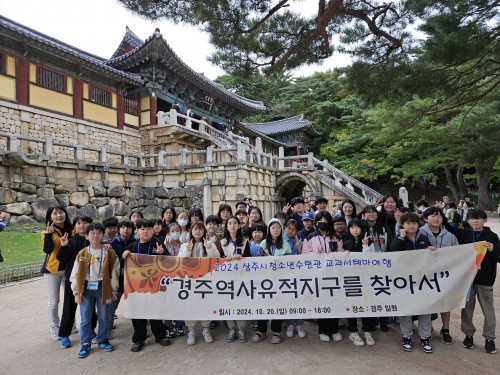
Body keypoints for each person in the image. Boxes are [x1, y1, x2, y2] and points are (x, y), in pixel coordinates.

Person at [447, 209, 500, 354]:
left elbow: (499, 257)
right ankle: (468, 335)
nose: (475, 221)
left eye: (478, 218)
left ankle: (489, 338)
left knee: (488, 311)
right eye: (472, 219)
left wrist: (493, 249)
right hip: (467, 279)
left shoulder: (492, 236)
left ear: (485, 220)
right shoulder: (463, 233)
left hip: (485, 279)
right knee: (467, 308)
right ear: (468, 220)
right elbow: (447, 226)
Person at [70, 222, 120, 358]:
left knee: (103, 316)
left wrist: (114, 290)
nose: (95, 235)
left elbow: (115, 271)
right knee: (85, 318)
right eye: (92, 233)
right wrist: (76, 292)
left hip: (103, 287)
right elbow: (75, 274)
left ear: (104, 235)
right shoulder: (82, 253)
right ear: (86, 236)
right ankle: (85, 343)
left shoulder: (109, 252)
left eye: (99, 233)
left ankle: (102, 339)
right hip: (86, 288)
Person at [390, 212, 437, 353]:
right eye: (408, 223)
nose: (411, 226)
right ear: (403, 225)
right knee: (407, 309)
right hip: (405, 281)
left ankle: (424, 337)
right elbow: (393, 252)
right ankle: (406, 336)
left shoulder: (424, 238)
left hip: (422, 280)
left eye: (414, 223)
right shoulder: (399, 238)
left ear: (419, 225)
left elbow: (430, 259)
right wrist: (401, 237)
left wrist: (431, 250)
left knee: (425, 308)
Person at [123, 219, 171, 352]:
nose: (145, 232)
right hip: (136, 287)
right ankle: (139, 339)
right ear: (137, 231)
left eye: (149, 229)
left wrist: (163, 254)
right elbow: (122, 266)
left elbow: (170, 263)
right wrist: (123, 256)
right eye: (142, 229)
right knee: (138, 313)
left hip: (155, 286)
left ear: (153, 230)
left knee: (156, 312)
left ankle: (160, 336)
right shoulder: (131, 247)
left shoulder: (158, 244)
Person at [301, 211, 343, 343]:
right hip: (318, 276)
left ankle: (334, 329)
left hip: (333, 275)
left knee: (335, 302)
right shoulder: (310, 237)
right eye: (320, 221)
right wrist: (316, 254)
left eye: (325, 220)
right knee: (322, 303)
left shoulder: (336, 237)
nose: (323, 223)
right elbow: (304, 255)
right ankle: (323, 330)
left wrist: (334, 255)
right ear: (316, 222)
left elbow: (341, 254)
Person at [419, 207, 459, 344]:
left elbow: (458, 256)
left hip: (444, 276)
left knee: (445, 302)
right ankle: (426, 328)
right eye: (433, 216)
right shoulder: (418, 233)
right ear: (425, 219)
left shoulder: (450, 236)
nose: (436, 218)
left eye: (439, 216)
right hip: (424, 276)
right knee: (426, 301)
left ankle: (445, 329)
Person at [57, 215, 97, 349]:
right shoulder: (71, 241)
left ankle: (91, 329)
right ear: (74, 226)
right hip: (73, 279)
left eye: (85, 223)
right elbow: (62, 259)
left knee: (91, 305)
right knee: (69, 306)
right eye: (78, 223)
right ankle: (64, 334)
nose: (82, 225)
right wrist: (63, 246)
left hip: (92, 278)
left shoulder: (95, 240)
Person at [252, 218, 292, 344]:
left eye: (278, 227)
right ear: (269, 229)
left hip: (280, 281)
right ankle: (261, 331)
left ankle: (276, 331)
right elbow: (259, 261)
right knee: (264, 304)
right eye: (273, 227)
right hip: (265, 281)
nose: (275, 230)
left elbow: (289, 263)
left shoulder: (286, 245)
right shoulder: (263, 243)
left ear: (281, 229)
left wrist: (279, 261)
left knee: (277, 304)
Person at [180, 221, 220, 345]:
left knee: (206, 304)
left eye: (200, 229)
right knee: (189, 305)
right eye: (195, 229)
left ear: (204, 231)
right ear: (191, 231)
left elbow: (216, 256)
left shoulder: (209, 243)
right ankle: (191, 330)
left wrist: (209, 246)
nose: (198, 231)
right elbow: (180, 260)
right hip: (190, 281)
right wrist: (188, 248)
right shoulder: (185, 244)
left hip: (205, 280)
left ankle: (205, 328)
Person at [41, 205, 74, 341]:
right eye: (55, 213)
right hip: (52, 270)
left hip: (69, 269)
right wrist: (49, 235)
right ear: (50, 217)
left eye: (61, 212)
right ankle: (54, 326)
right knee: (54, 300)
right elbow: (47, 250)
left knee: (70, 299)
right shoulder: (46, 232)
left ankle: (69, 323)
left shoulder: (73, 230)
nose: (59, 215)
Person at [342, 218, 376, 346]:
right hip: (351, 279)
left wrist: (365, 245)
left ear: (362, 228)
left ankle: (367, 330)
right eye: (352, 227)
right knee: (352, 306)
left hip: (365, 279)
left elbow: (370, 260)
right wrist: (344, 255)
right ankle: (352, 332)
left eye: (357, 227)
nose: (355, 230)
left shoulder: (369, 242)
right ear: (349, 230)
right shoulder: (346, 244)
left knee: (364, 306)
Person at [217, 216, 251, 343]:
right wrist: (226, 257)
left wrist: (240, 257)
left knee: (241, 302)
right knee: (228, 302)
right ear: (226, 226)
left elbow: (249, 257)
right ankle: (231, 328)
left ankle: (241, 329)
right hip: (227, 278)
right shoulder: (223, 241)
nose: (232, 225)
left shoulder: (245, 240)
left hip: (241, 277)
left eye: (235, 223)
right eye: (229, 223)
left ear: (238, 225)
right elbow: (219, 258)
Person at [107, 219, 136, 340]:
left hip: (133, 280)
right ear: (118, 229)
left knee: (136, 306)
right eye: (123, 227)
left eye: (128, 227)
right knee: (111, 307)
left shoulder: (136, 242)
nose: (126, 229)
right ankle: (107, 330)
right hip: (117, 280)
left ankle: (140, 330)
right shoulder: (112, 244)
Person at [162, 222, 185, 338]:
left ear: (181, 232)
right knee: (167, 302)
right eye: (172, 231)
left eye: (177, 230)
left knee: (180, 300)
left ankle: (179, 325)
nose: (175, 233)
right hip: (167, 277)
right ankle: (168, 326)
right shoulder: (164, 245)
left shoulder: (184, 245)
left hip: (181, 278)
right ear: (168, 233)